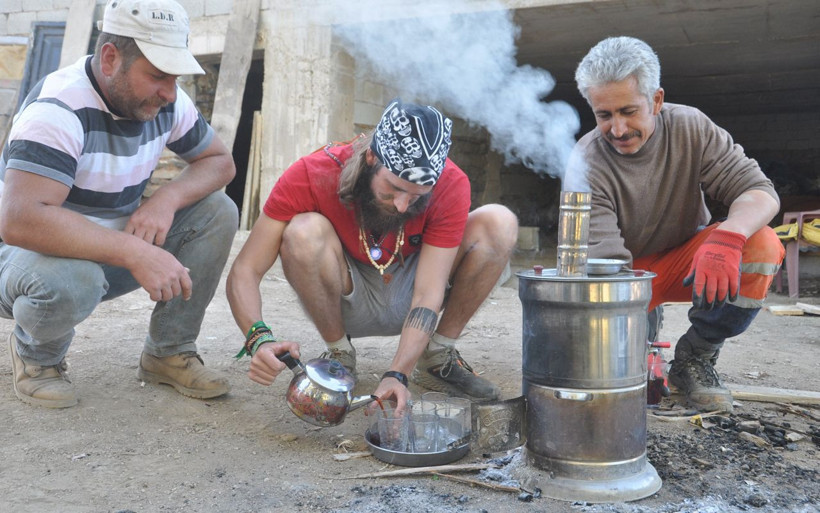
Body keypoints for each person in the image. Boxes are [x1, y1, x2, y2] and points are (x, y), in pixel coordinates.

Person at [0, 0, 238, 408]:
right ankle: (37, 357)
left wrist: (166, 198)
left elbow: (220, 162)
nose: (169, 92)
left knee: (218, 211)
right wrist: (134, 251)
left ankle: (168, 352)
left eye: (174, 77)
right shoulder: (57, 111)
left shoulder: (167, 102)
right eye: (158, 75)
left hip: (105, 251)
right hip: (26, 258)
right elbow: (20, 221)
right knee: (74, 280)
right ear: (110, 58)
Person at [226, 98, 518, 408]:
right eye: (392, 189)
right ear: (370, 158)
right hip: (347, 293)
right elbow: (245, 269)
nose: (403, 205)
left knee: (499, 222)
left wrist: (397, 374)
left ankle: (436, 357)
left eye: (417, 195)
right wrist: (259, 338)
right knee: (303, 231)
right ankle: (339, 352)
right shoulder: (311, 174)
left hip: (414, 293)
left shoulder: (450, 183)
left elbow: (428, 294)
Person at [567, 36, 785, 413]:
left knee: (762, 245)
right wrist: (626, 335)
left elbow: (759, 192)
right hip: (622, 278)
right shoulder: (586, 160)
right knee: (612, 377)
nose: (617, 129)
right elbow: (603, 270)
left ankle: (694, 360)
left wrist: (728, 238)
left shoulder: (690, 127)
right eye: (604, 115)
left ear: (656, 100)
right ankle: (643, 330)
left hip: (691, 263)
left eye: (628, 111)